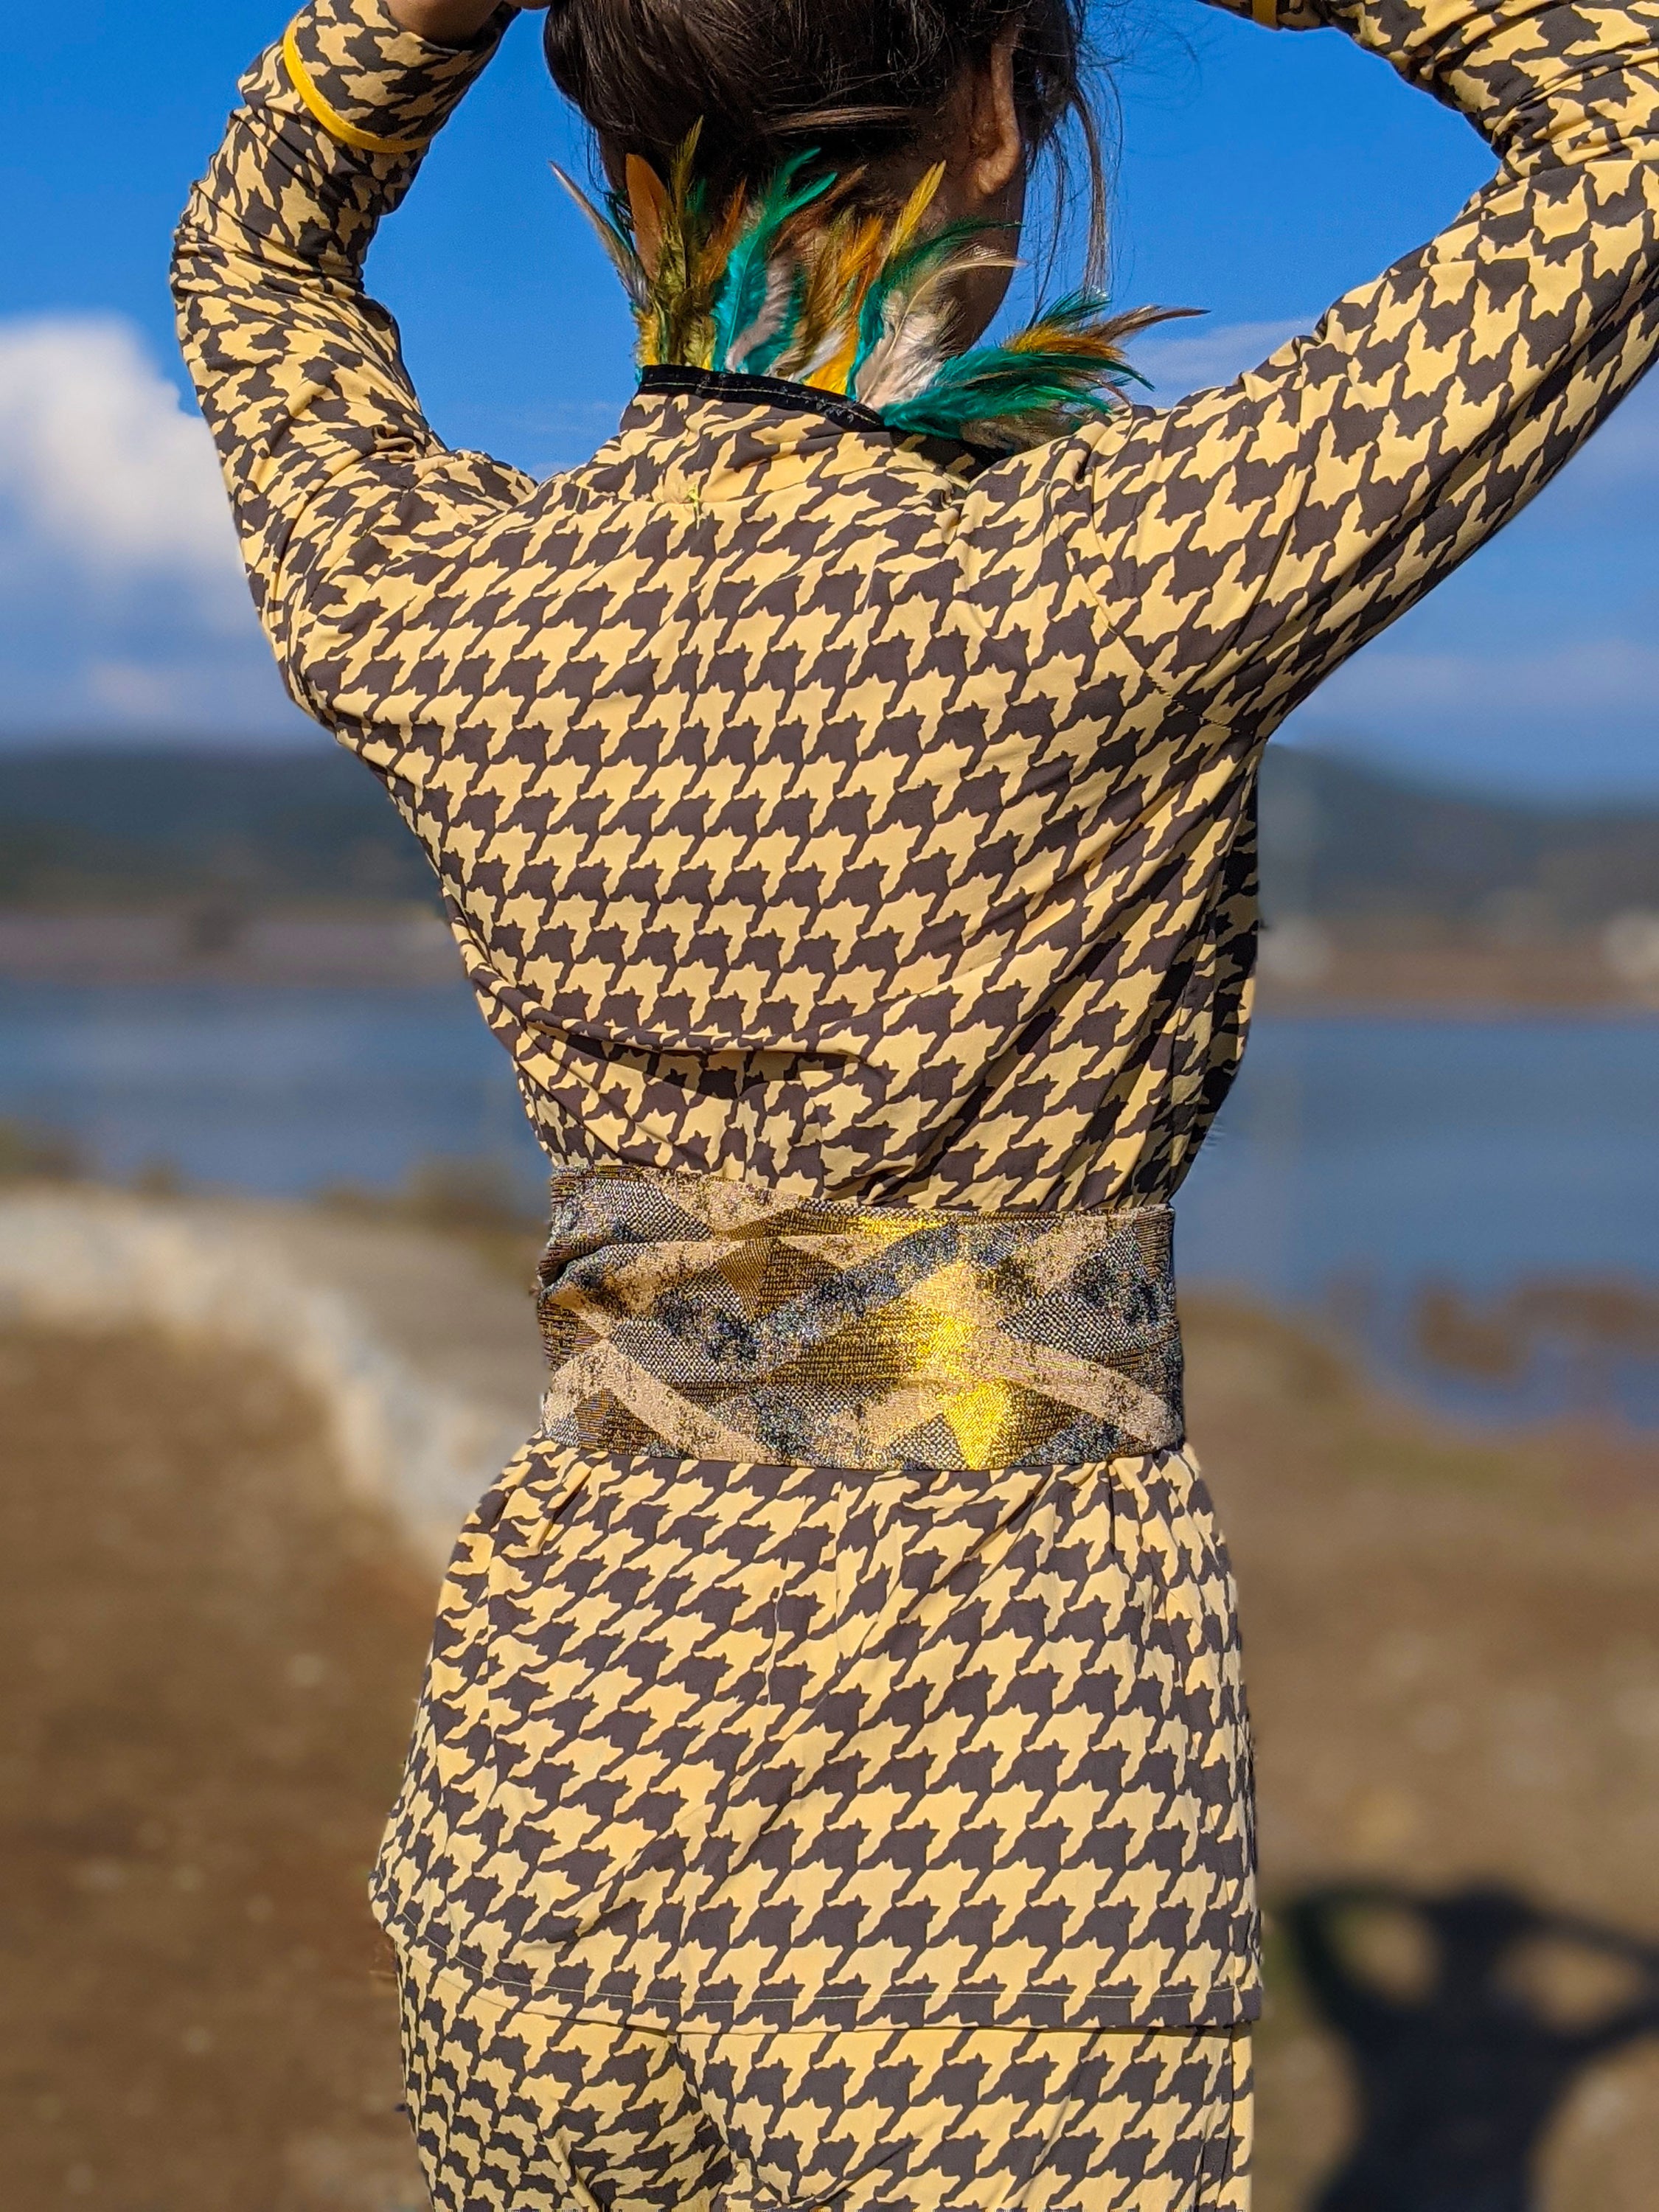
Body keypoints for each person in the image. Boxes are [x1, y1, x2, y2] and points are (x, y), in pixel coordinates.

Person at [173, 0, 1658, 2203]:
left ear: (620, 117)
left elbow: (253, 264)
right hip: (988, 1816)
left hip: (542, 1766)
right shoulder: (1096, 581)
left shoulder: (455, 609)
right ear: (991, 114)